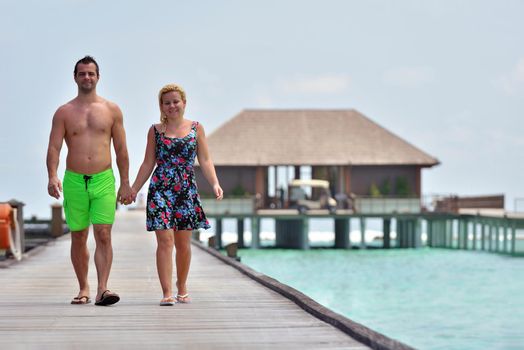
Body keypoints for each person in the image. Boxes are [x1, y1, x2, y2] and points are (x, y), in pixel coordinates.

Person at [46, 56, 134, 306]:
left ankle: (103, 289)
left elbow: (122, 149)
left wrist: (125, 182)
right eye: (82, 74)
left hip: (104, 179)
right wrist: (52, 176)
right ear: (75, 77)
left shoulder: (111, 110)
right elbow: (54, 148)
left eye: (91, 74)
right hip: (74, 180)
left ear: (98, 77)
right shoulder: (63, 112)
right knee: (78, 235)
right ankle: (83, 287)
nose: (87, 78)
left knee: (104, 234)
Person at [131, 83, 223, 306]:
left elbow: (205, 159)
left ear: (184, 103)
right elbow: (147, 163)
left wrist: (215, 183)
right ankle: (166, 292)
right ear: (161, 107)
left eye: (175, 101)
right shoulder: (155, 130)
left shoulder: (196, 128)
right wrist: (134, 188)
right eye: (166, 103)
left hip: (186, 189)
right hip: (161, 188)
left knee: (183, 243)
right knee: (165, 240)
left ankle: (182, 287)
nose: (171, 106)